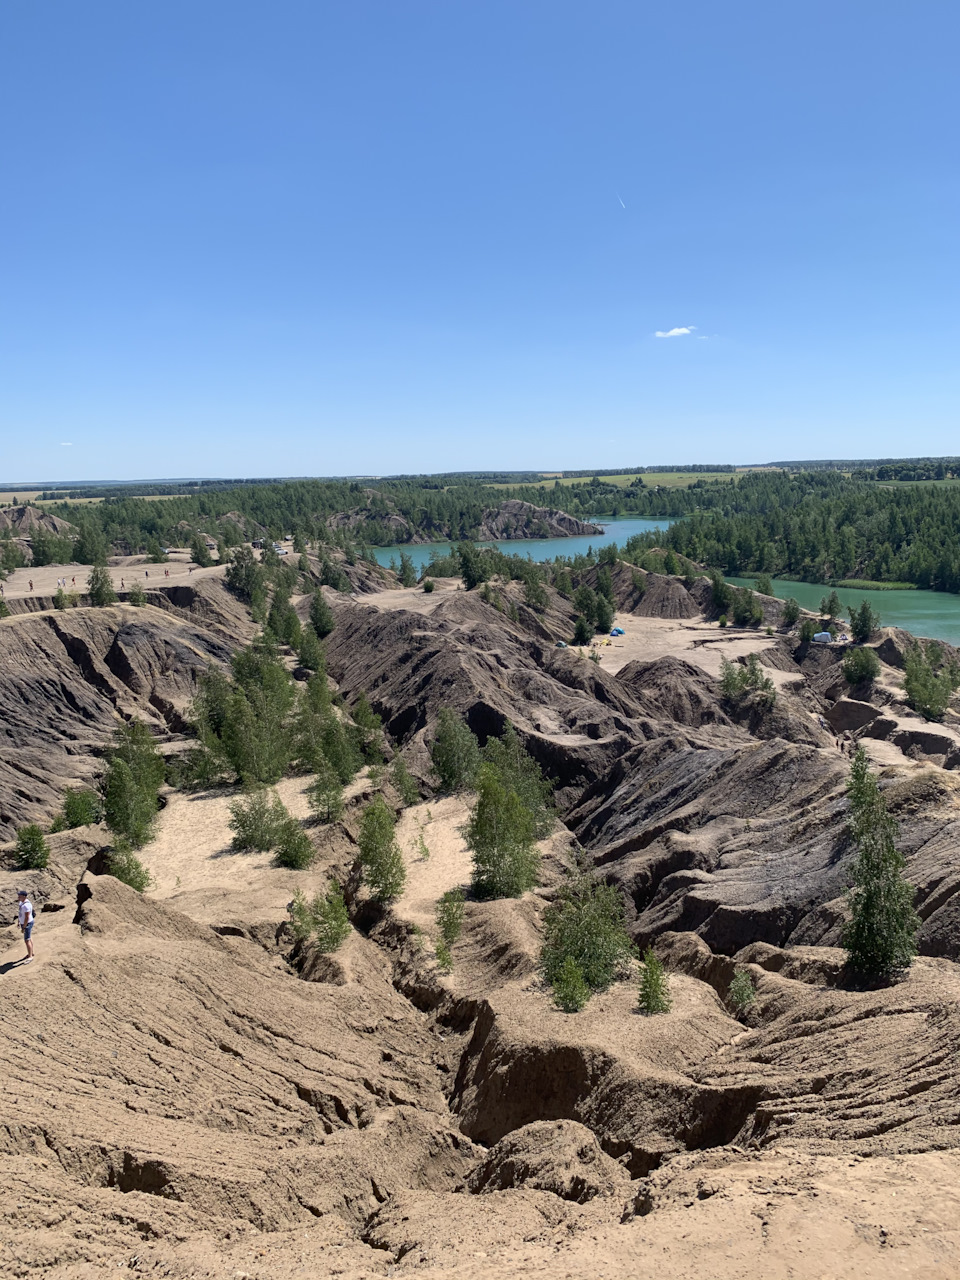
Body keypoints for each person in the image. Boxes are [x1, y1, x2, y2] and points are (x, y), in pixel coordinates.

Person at [17, 890, 34, 964]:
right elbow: (20, 913)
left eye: (20, 896)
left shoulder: (27, 905)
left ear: (24, 896)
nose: (18, 897)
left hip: (27, 923)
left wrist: (24, 927)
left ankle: (30, 956)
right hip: (23, 923)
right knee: (29, 938)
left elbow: (27, 917)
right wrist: (18, 921)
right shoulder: (21, 903)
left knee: (27, 940)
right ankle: (31, 952)